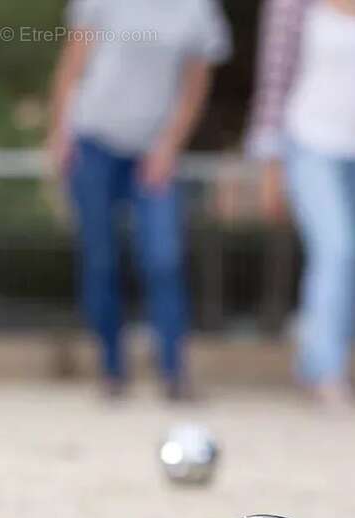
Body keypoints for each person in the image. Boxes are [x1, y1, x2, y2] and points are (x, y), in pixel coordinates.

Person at [47, 0, 231, 401]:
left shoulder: (197, 11)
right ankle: (112, 371)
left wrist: (169, 146)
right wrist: (59, 133)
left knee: (163, 258)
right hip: (93, 142)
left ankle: (173, 373)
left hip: (153, 150)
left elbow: (196, 85)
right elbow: (73, 62)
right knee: (100, 259)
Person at [246, 0, 355, 407]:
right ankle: (327, 371)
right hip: (309, 144)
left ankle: (315, 341)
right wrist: (269, 163)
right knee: (337, 249)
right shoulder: (290, 6)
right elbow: (273, 81)